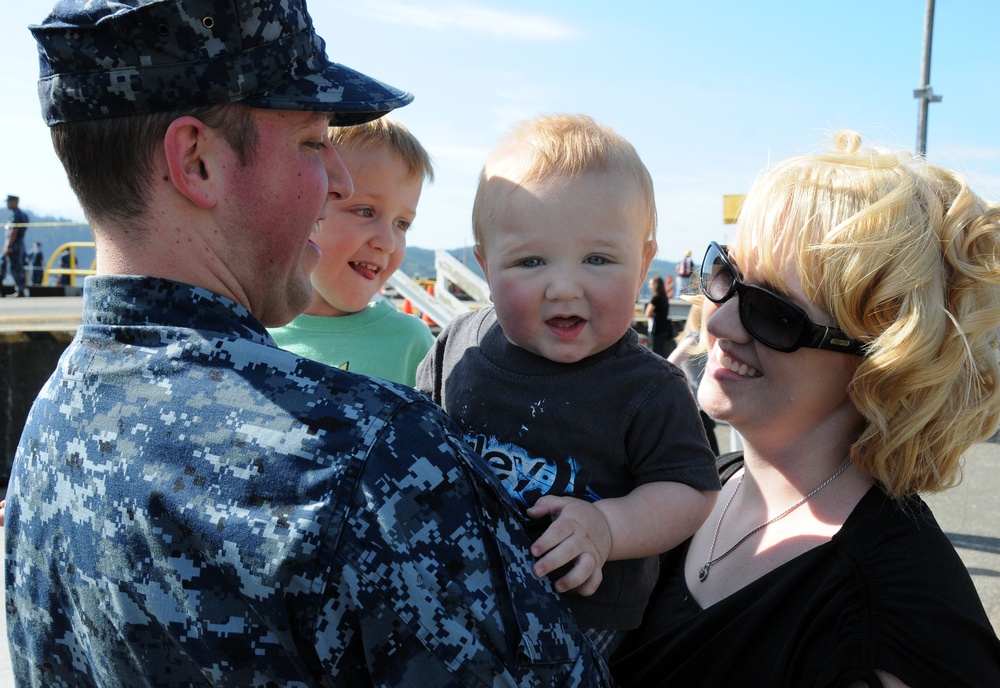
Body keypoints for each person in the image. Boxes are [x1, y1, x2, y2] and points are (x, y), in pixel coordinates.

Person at [6, 2, 611, 686]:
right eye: (311, 142)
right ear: (197, 161)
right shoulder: (364, 458)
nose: (340, 180)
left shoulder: (51, 428)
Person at [611, 130, 1000, 687]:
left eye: (771, 311)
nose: (717, 323)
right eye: (726, 276)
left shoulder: (894, 617)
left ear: (884, 361)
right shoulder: (698, 489)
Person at [417, 114, 720, 659]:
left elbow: (691, 491)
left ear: (644, 261)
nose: (563, 286)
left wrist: (609, 525)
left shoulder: (649, 388)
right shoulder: (458, 345)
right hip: (457, 590)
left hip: (580, 617)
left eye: (598, 259)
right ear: (486, 266)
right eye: (530, 261)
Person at [268, 116, 434, 386]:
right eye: (365, 212)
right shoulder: (249, 331)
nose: (387, 242)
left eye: (402, 224)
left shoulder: (409, 345)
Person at [666, 303, 719, 455]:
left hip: (698, 405)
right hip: (698, 407)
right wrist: (684, 386)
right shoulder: (695, 338)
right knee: (713, 457)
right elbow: (670, 363)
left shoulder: (694, 337)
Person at [2, 194, 29, 296]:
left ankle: (20, 290)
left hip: (14, 246)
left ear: (15, 202)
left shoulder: (16, 215)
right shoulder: (23, 215)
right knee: (18, 267)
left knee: (14, 268)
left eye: (9, 201)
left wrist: (8, 246)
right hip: (19, 245)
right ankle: (20, 290)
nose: (7, 204)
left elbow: (13, 231)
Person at [643, 275, 675, 357]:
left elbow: (647, 314)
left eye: (651, 284)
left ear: (656, 285)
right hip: (663, 328)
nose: (649, 286)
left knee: (654, 351)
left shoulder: (655, 298)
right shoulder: (664, 297)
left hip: (655, 329)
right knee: (660, 351)